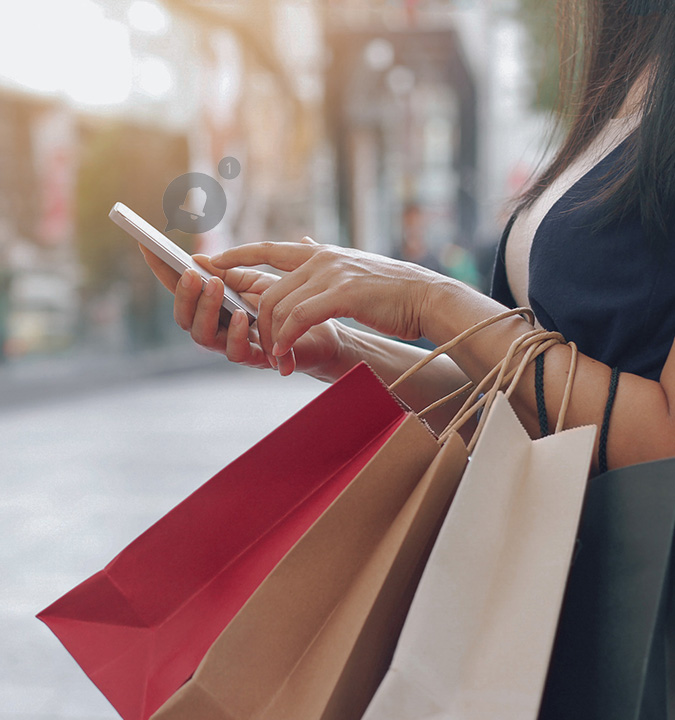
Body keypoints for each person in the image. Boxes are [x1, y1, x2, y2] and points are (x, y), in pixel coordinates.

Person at [142, 0, 675, 474]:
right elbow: (517, 405)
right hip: (579, 568)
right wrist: (340, 347)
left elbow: (662, 440)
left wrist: (429, 299)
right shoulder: (632, 80)